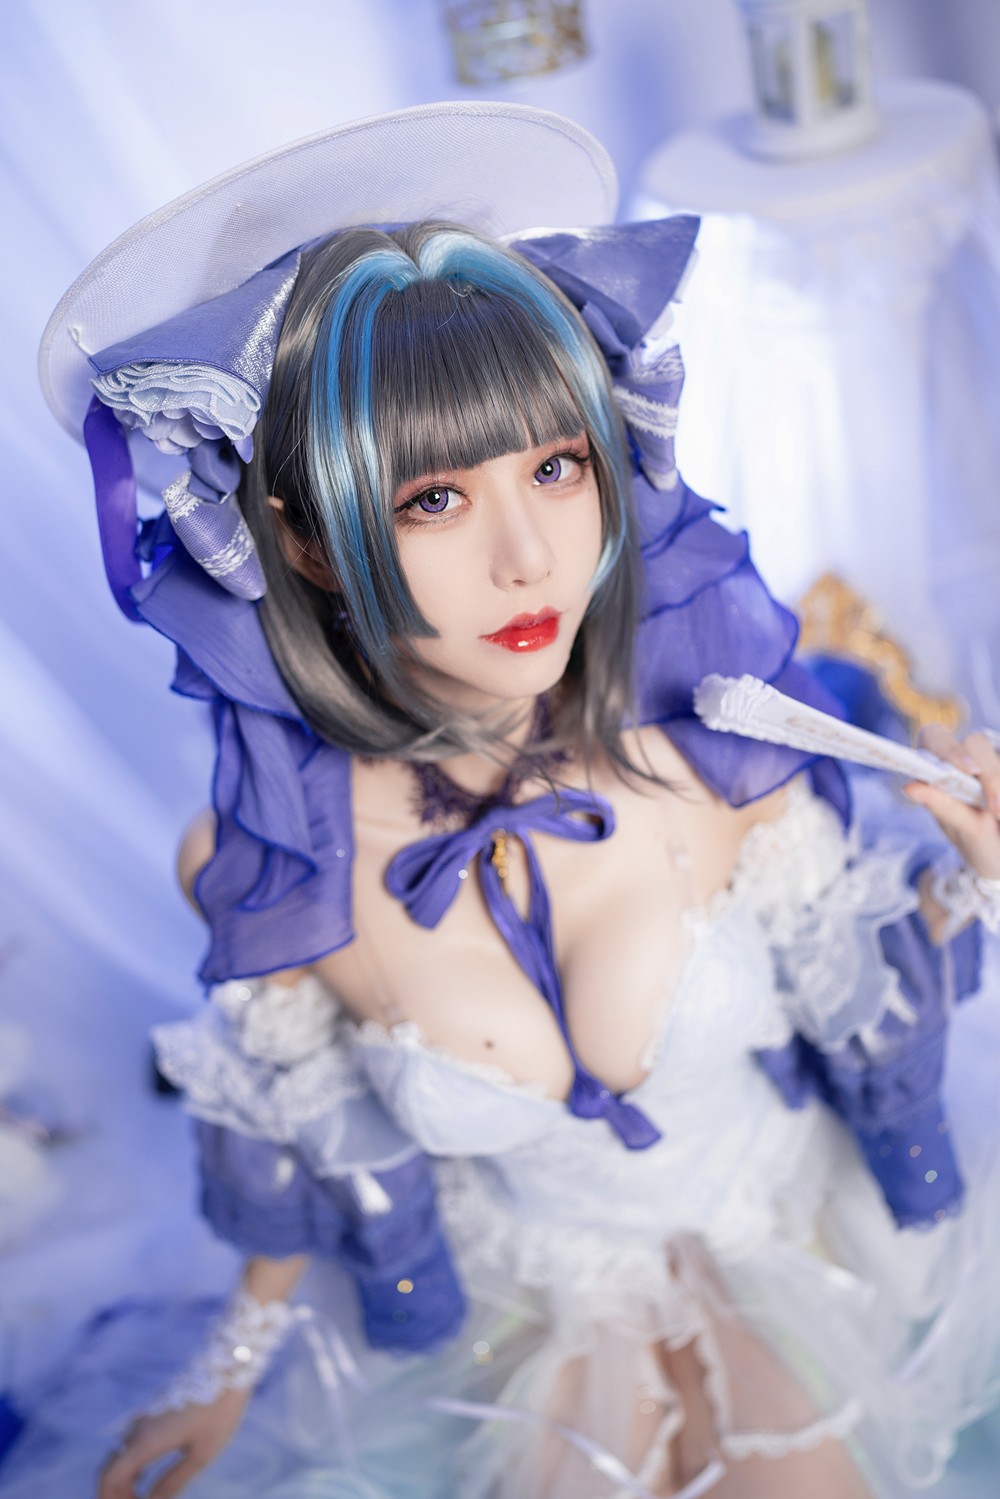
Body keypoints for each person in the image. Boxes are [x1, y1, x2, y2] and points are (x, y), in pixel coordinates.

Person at [21, 101, 1000, 1499]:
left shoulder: (717, 740)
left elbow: (875, 1002)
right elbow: (301, 1137)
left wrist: (977, 876)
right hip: (517, 1321)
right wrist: (228, 1371)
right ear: (305, 542)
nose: (531, 554)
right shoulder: (272, 860)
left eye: (556, 465)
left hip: (798, 1249)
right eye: (433, 500)